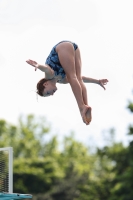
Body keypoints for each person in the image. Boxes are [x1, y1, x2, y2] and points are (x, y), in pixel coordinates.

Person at [26, 41, 108, 125]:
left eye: (48, 92)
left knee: (72, 77)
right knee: (78, 79)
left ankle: (81, 108)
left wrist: (37, 65)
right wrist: (97, 81)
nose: (51, 94)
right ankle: (85, 106)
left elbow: (46, 68)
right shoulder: (62, 80)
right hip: (75, 49)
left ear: (45, 84)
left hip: (62, 47)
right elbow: (82, 79)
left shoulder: (49, 76)